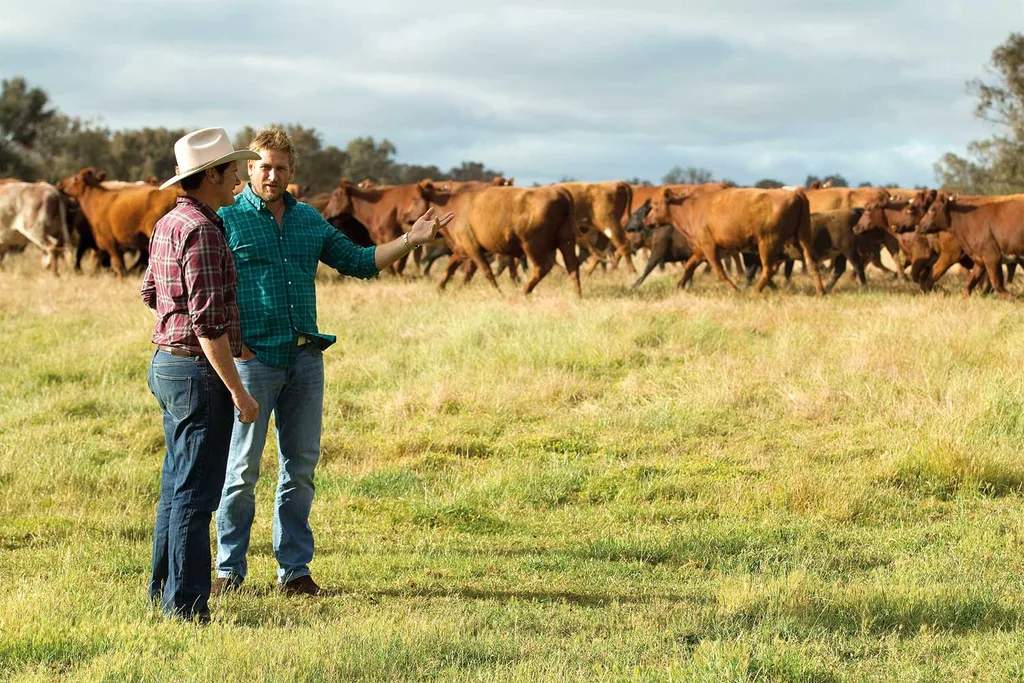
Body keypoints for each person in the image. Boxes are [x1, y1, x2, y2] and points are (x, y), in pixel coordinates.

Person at [213, 127, 453, 595]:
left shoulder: (308, 220)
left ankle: (294, 572)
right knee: (241, 471)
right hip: (254, 361)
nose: (272, 175)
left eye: (281, 167)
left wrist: (411, 239)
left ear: (293, 172)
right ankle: (229, 571)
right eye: (263, 166)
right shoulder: (226, 220)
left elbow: (359, 261)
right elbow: (209, 286)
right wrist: (234, 344)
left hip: (304, 361)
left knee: (299, 469)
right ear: (247, 168)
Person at [142, 127, 261, 622]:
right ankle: (186, 609)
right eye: (231, 169)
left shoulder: (170, 223)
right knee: (196, 494)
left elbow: (152, 293)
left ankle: (164, 591)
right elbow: (208, 324)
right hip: (197, 372)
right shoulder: (205, 231)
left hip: (168, 366)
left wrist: (186, 337)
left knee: (176, 486)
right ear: (209, 175)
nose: (237, 176)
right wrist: (240, 392)